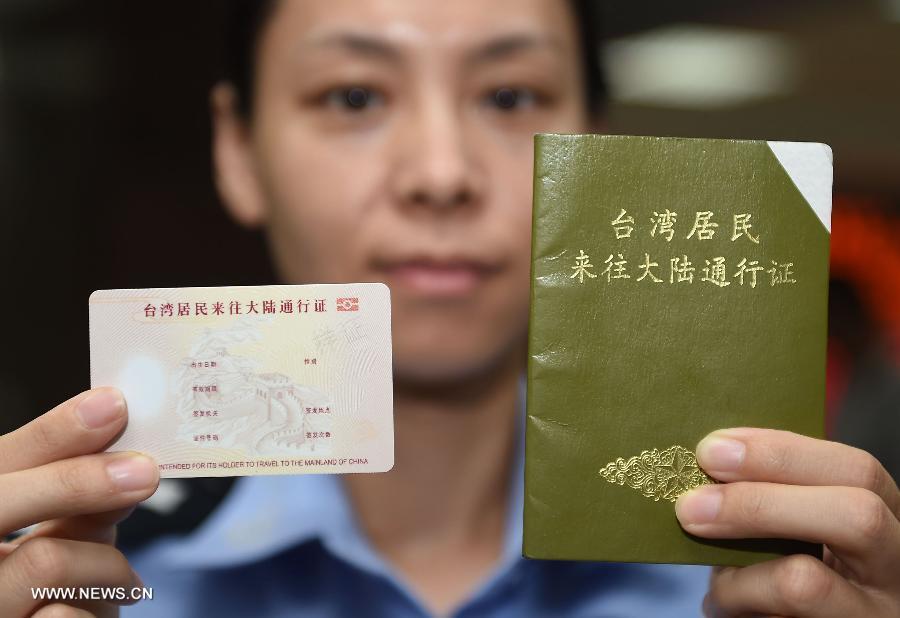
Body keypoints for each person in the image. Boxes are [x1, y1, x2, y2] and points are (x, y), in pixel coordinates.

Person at [1, 0, 898, 616]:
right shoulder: (95, 576)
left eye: (510, 96)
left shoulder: (763, 583)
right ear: (239, 150)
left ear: (600, 144)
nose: (440, 174)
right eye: (354, 96)